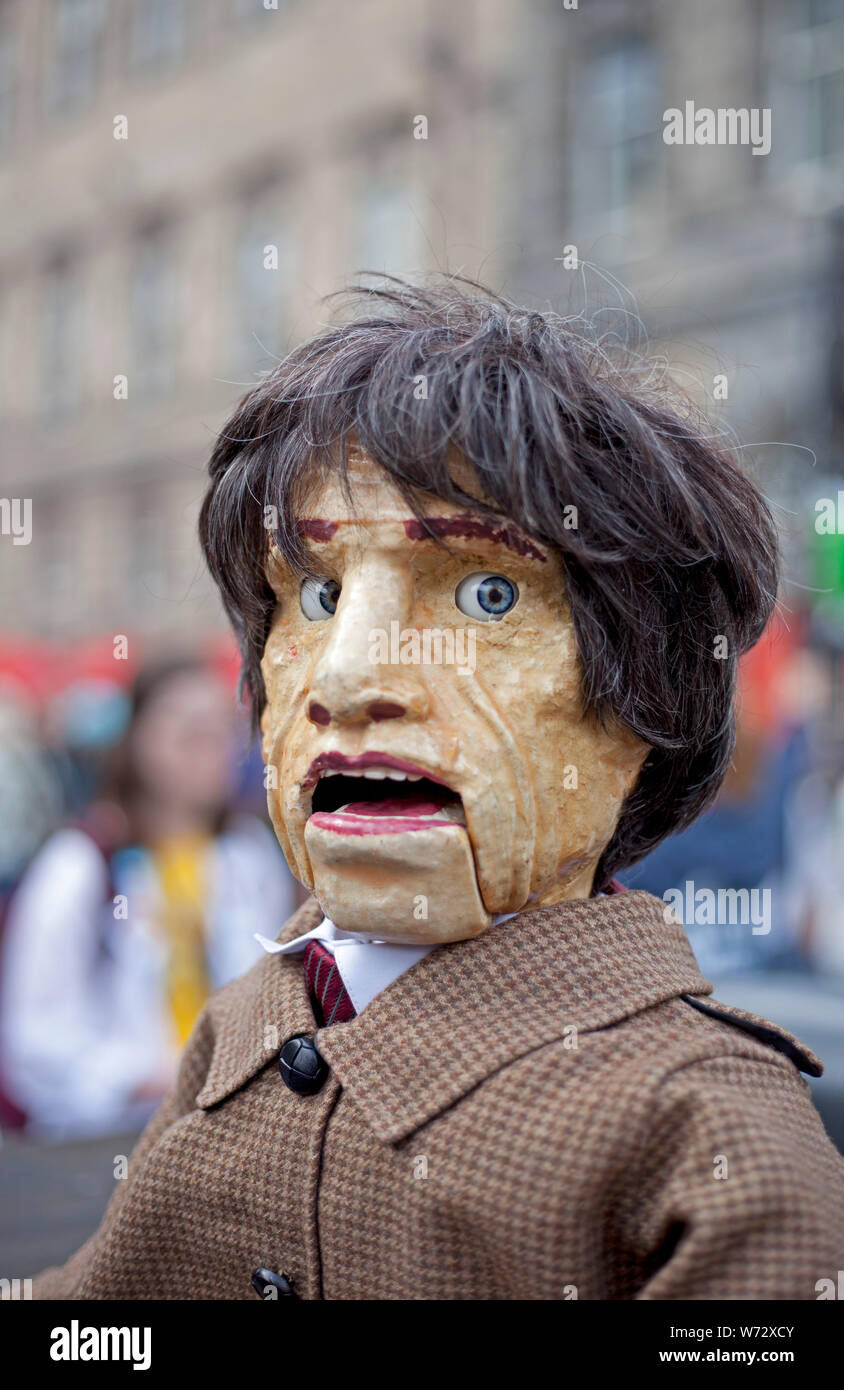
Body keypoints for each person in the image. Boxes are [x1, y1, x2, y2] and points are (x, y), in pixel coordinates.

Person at [33, 277, 844, 1299]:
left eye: (486, 592)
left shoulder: (710, 1135)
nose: (345, 677)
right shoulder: (246, 1025)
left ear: (649, 693)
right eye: (318, 595)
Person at [0, 657, 299, 1137]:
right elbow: (35, 1040)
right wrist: (143, 1078)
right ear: (139, 740)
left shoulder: (248, 854)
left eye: (221, 730)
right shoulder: (80, 863)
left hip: (230, 1130)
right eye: (188, 733)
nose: (210, 750)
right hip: (106, 1142)